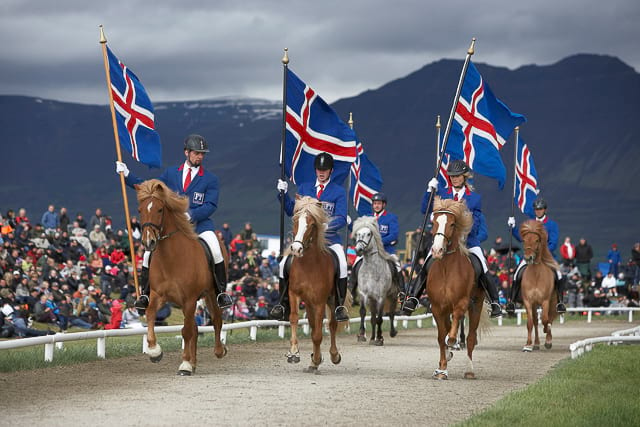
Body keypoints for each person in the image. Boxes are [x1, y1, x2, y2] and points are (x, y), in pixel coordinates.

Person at [116, 134, 232, 311]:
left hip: (199, 225)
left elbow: (211, 205)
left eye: (202, 153)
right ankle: (145, 294)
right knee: (148, 254)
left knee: (216, 249)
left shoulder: (210, 179)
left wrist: (191, 215)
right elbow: (149, 188)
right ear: (187, 152)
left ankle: (220, 293)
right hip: (173, 228)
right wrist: (128, 175)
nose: (200, 156)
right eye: (196, 153)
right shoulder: (171, 174)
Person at [403, 160, 502, 317]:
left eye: (457, 176)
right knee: (427, 263)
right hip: (444, 240)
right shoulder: (442, 193)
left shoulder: (474, 198)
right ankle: (413, 298)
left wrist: (463, 234)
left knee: (482, 266)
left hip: (468, 241)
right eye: (451, 176)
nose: (454, 179)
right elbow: (425, 209)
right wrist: (430, 190)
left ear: (464, 177)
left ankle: (495, 302)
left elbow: (475, 222)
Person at [271, 152, 350, 322]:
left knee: (342, 265)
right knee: (284, 262)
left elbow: (342, 217)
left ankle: (339, 306)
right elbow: (293, 210)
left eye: (325, 170)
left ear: (331, 171)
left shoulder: (338, 192)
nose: (321, 173)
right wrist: (283, 195)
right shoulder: (305, 188)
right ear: (315, 170)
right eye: (319, 169)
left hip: (329, 239)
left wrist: (327, 226)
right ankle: (282, 304)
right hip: (305, 240)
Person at [507, 198, 566, 314]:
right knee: (517, 274)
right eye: (536, 209)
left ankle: (560, 302)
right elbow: (521, 238)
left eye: (541, 209)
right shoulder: (530, 224)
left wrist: (543, 252)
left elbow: (553, 242)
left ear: (545, 210)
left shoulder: (552, 225)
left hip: (546, 256)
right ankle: (512, 301)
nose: (538, 211)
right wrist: (512, 228)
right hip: (530, 254)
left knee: (559, 275)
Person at [350, 192, 404, 298]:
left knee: (397, 266)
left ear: (384, 205)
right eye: (375, 203)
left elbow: (393, 235)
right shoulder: (367, 218)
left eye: (379, 203)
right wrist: (350, 223)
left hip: (386, 250)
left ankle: (402, 294)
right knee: (356, 263)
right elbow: (359, 231)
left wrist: (378, 242)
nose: (376, 206)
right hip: (368, 251)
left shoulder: (391, 217)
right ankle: (351, 292)